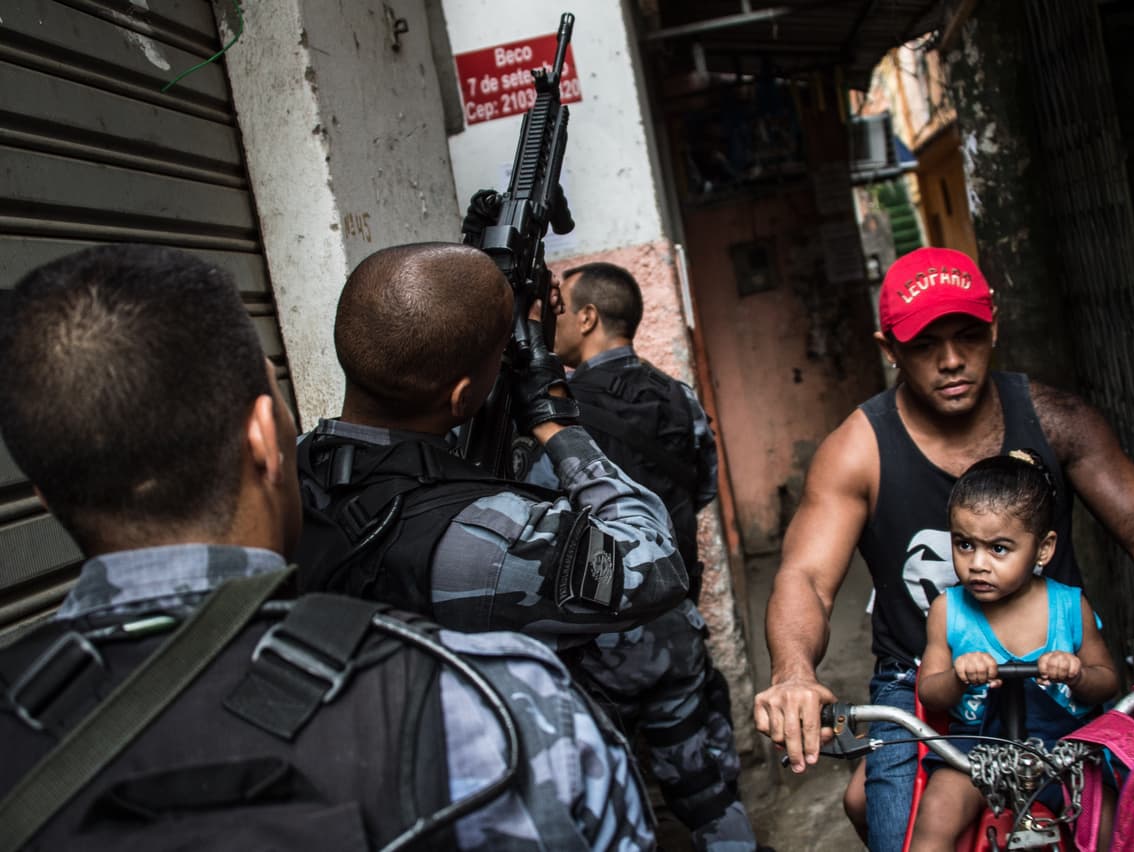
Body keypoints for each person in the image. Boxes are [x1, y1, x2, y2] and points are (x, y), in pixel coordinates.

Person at [0, 244, 655, 850]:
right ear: (263, 438)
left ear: (46, 494)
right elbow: (649, 569)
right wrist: (553, 423)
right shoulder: (502, 707)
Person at [753, 246, 1134, 852]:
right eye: (923, 345)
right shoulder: (858, 449)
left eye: (967, 336)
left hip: (1057, 667)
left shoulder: (1054, 419)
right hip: (924, 682)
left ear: (994, 326)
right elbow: (807, 575)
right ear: (889, 349)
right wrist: (793, 675)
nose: (950, 361)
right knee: (902, 835)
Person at [292, 243, 688, 649]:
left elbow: (426, 334)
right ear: (462, 398)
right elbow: (658, 569)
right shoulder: (492, 540)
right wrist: (555, 421)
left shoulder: (285, 467)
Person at [524, 262, 757, 850]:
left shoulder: (555, 417)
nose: (552, 321)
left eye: (561, 308)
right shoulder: (679, 396)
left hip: (599, 642)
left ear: (587, 317)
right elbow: (703, 487)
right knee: (706, 786)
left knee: (609, 799)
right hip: (678, 621)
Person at [911, 450, 1118, 851]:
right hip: (978, 752)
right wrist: (956, 676)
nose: (978, 564)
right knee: (936, 812)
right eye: (965, 544)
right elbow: (929, 692)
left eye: (999, 549)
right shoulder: (947, 610)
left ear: (1043, 549)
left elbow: (1107, 681)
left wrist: (1077, 673)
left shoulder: (1070, 607)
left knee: (1109, 820)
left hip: (1066, 751)